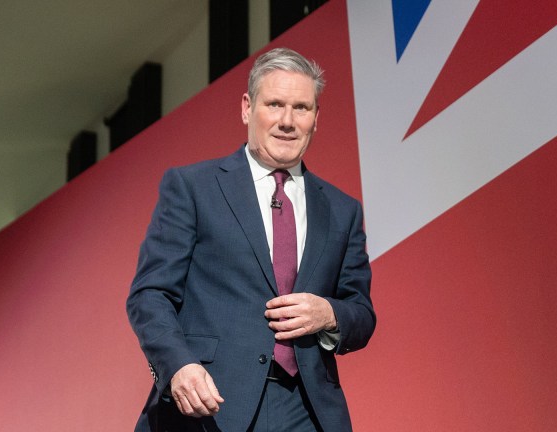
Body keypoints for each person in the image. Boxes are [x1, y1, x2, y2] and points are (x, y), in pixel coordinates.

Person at [126, 47, 375, 432]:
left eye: (301, 108)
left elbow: (361, 312)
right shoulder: (192, 187)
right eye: (274, 104)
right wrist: (178, 365)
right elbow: (151, 294)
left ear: (316, 118)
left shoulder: (343, 210)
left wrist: (329, 314)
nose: (287, 121)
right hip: (210, 404)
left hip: (308, 411)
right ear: (247, 108)